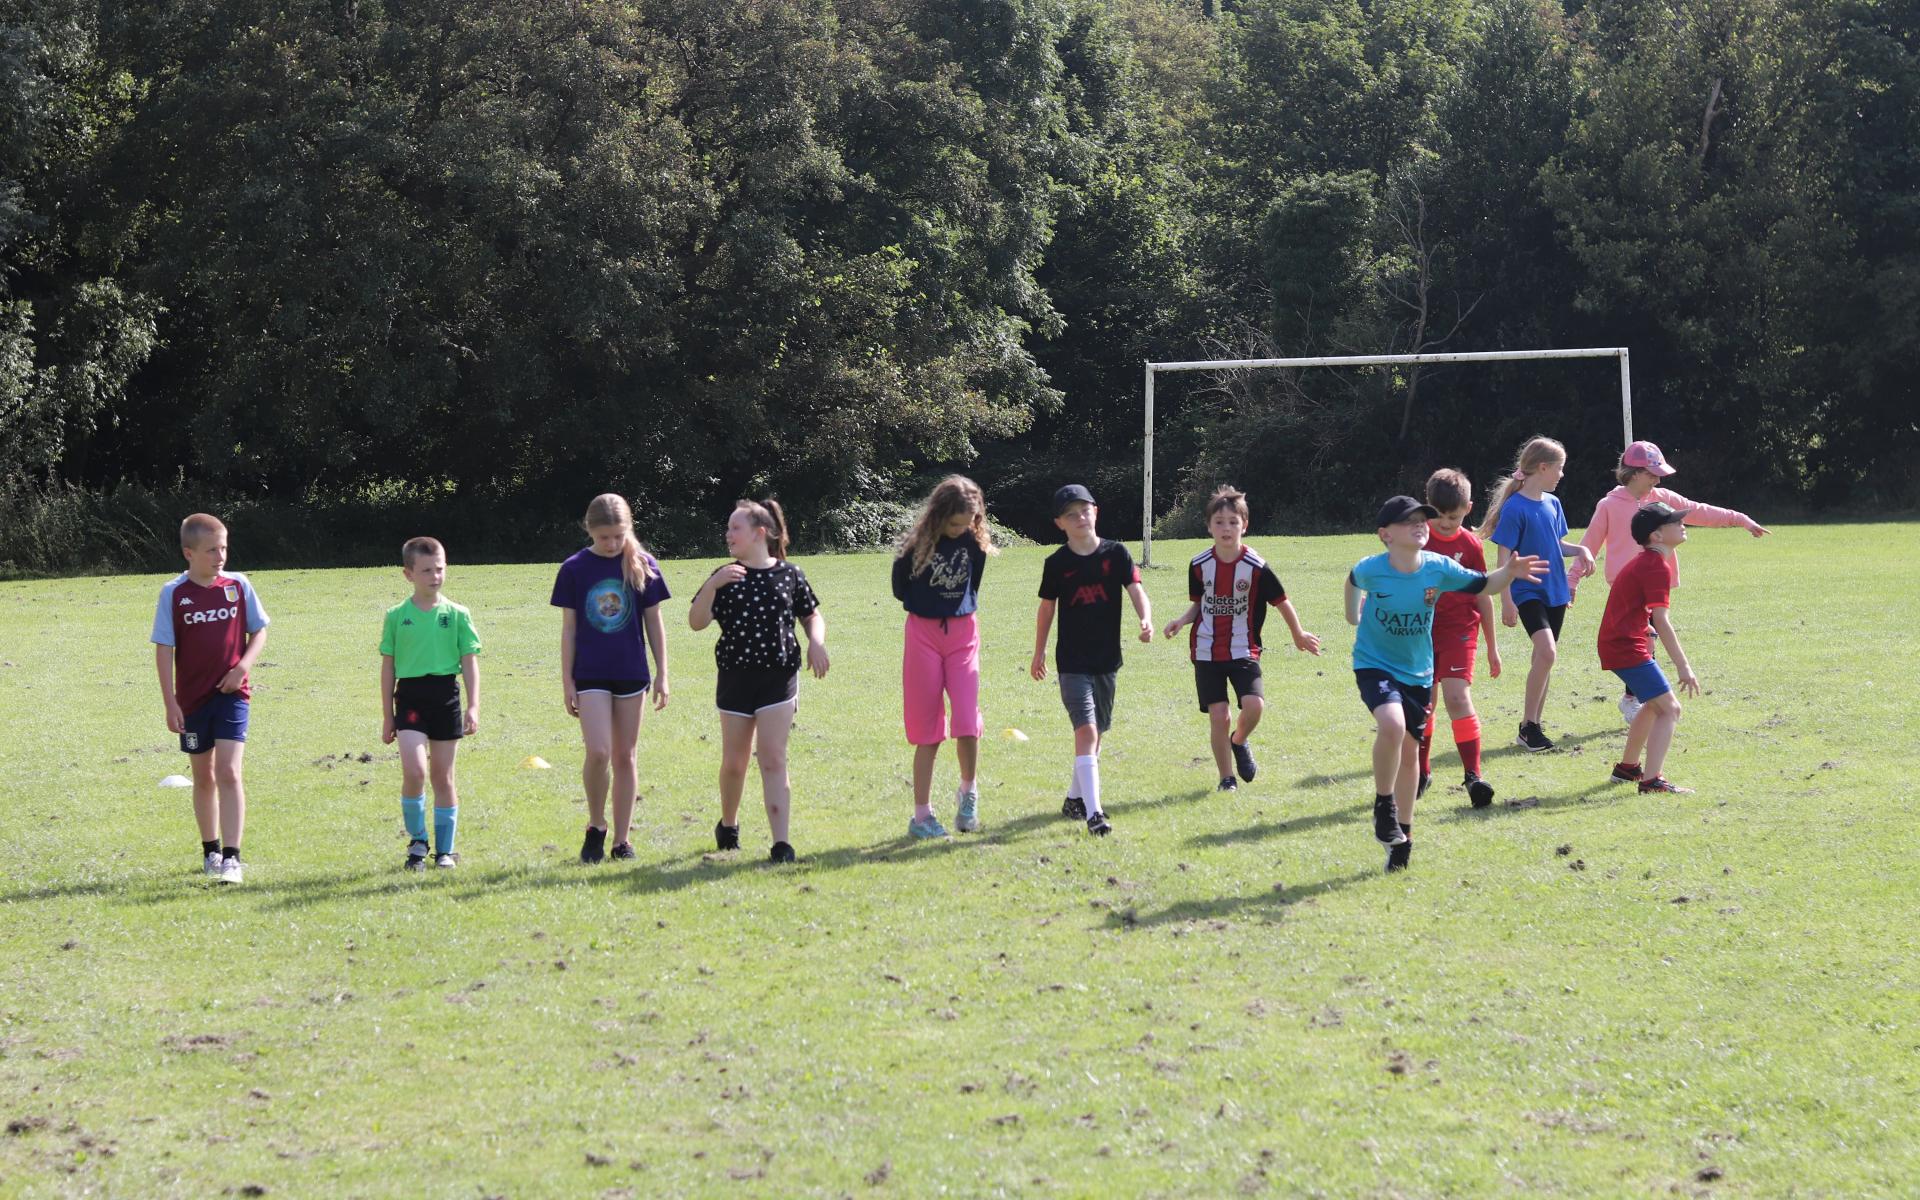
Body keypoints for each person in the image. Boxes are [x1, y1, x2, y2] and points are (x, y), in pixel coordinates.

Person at [1347, 496, 1546, 872]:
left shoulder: (1439, 567)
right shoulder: (1372, 568)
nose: (1421, 525)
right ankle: (1383, 805)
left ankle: (1402, 837)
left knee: (1410, 754)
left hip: (1418, 672)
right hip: (1374, 664)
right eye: (1410, 522)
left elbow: (1485, 586)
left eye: (1423, 519)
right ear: (1385, 535)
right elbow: (1353, 581)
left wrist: (1510, 571)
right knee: (1391, 723)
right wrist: (1352, 613)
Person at [1570, 440, 1767, 722]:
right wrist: (1572, 580)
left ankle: (1636, 697)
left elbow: (1700, 511)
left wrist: (1741, 519)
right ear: (1634, 473)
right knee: (1642, 640)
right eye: (1652, 473)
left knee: (1648, 639)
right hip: (1626, 589)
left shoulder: (1663, 499)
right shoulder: (1609, 505)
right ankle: (1634, 698)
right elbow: (1589, 544)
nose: (1657, 479)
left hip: (1655, 583)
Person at [688, 499, 827, 863]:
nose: (728, 534)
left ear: (759, 533)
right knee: (734, 763)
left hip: (778, 678)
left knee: (772, 759)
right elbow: (696, 621)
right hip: (735, 679)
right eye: (729, 527)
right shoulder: (725, 576)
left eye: (736, 528)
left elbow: (811, 614)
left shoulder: (790, 574)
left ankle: (781, 843)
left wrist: (816, 642)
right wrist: (712, 586)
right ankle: (729, 825)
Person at [1161, 486, 1319, 792]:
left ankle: (1240, 740)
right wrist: (1182, 620)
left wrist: (1297, 634)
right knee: (1219, 716)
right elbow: (1200, 603)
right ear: (1208, 526)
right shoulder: (1198, 564)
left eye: (1233, 522)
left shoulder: (1256, 567)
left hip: (1243, 648)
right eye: (1219, 522)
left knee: (1254, 706)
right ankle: (1226, 778)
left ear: (1244, 525)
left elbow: (1282, 601)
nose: (1226, 528)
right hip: (1206, 650)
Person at [550, 494, 671, 865]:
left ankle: (622, 840)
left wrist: (663, 672)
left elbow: (654, 622)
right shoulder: (574, 568)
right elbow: (569, 629)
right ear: (590, 531)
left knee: (625, 755)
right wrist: (567, 681)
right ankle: (596, 825)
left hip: (631, 672)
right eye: (605, 537)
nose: (612, 544)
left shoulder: (642, 564)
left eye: (618, 536)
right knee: (599, 752)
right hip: (590, 673)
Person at [150, 513, 270, 885]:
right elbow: (164, 650)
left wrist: (242, 669)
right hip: (191, 702)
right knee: (203, 778)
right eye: (211, 550)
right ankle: (211, 851)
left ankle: (233, 857)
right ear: (189, 553)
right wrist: (170, 703)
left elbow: (260, 631)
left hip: (233, 696)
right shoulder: (174, 593)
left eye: (224, 548)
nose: (220, 556)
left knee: (229, 772)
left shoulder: (238, 586)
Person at [1030, 484, 1152, 837]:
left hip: (1106, 660)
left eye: (1085, 510)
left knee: (1097, 735)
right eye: (1071, 514)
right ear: (1060, 524)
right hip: (1072, 663)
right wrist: (1038, 652)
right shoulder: (1056, 564)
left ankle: (1073, 799)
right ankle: (1094, 813)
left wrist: (1145, 619)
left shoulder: (1116, 555)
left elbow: (1136, 590)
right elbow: (1046, 608)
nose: (1080, 517)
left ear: (1096, 512)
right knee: (1086, 730)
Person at [892, 476, 995, 838]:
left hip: (964, 633)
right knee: (928, 730)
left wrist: (953, 610)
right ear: (939, 515)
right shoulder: (915, 544)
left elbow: (974, 585)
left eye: (967, 523)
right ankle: (922, 817)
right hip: (923, 634)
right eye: (954, 524)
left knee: (967, 721)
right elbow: (899, 589)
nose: (961, 530)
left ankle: (969, 792)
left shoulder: (974, 542)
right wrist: (931, 608)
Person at [1479, 435, 1594, 752]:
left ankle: (1533, 726)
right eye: (1559, 468)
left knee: (1543, 658)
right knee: (1547, 653)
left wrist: (1582, 549)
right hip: (1526, 592)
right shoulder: (1515, 508)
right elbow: (1504, 557)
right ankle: (1528, 727)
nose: (1562, 474)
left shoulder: (1553, 504)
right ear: (1543, 467)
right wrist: (1506, 599)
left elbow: (1557, 545)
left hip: (1555, 593)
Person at [380, 537, 482, 870]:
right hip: (409, 697)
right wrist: (386, 715)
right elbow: (388, 667)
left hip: (445, 697)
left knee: (443, 776)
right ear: (408, 574)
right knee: (415, 770)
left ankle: (446, 851)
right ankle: (418, 842)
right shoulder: (396, 616)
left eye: (439, 569)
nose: (434, 576)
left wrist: (473, 705)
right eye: (426, 570)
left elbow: (469, 662)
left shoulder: (457, 614)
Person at [1597, 502, 1702, 794]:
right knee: (1670, 709)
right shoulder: (1656, 567)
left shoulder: (1649, 562)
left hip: (1621, 644)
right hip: (1625, 647)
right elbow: (1662, 619)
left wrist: (1646, 629)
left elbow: (1640, 611)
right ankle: (1652, 780)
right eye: (1674, 522)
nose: (1682, 524)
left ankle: (1627, 768)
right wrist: (1684, 666)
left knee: (1654, 706)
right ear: (1656, 536)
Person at [1416, 469, 1500, 808]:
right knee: (1424, 704)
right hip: (1419, 633)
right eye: (1439, 516)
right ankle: (1421, 771)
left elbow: (1483, 595)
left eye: (1453, 517)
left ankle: (1473, 776)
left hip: (1460, 630)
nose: (1446, 524)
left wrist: (1492, 647)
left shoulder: (1471, 545)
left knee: (1456, 697)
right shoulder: (1416, 539)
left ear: (1468, 507)